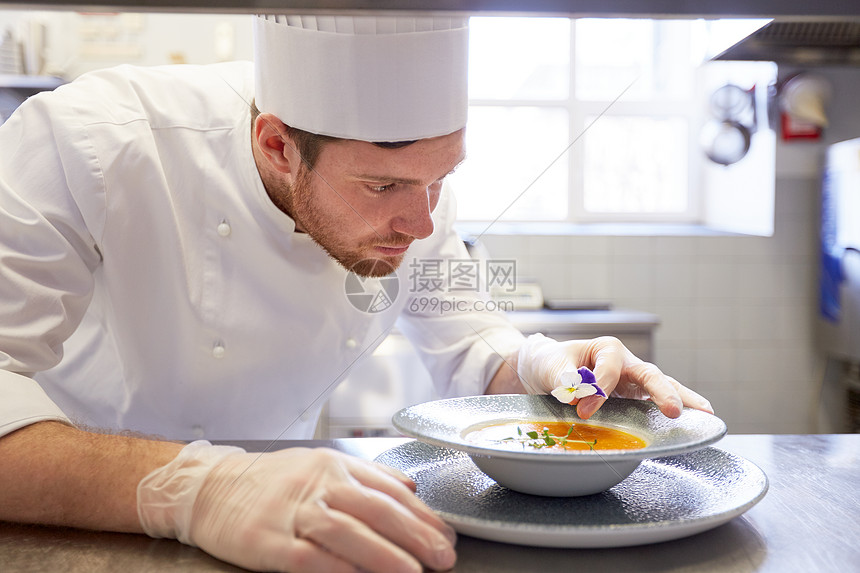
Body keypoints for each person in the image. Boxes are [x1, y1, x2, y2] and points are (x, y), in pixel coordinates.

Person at [0, 14, 712, 573]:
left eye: (442, 178)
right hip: (79, 528)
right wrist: (200, 489)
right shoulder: (90, 143)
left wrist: (552, 370)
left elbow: (473, 349)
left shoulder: (416, 208)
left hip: (289, 534)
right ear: (278, 145)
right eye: (384, 186)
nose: (423, 220)